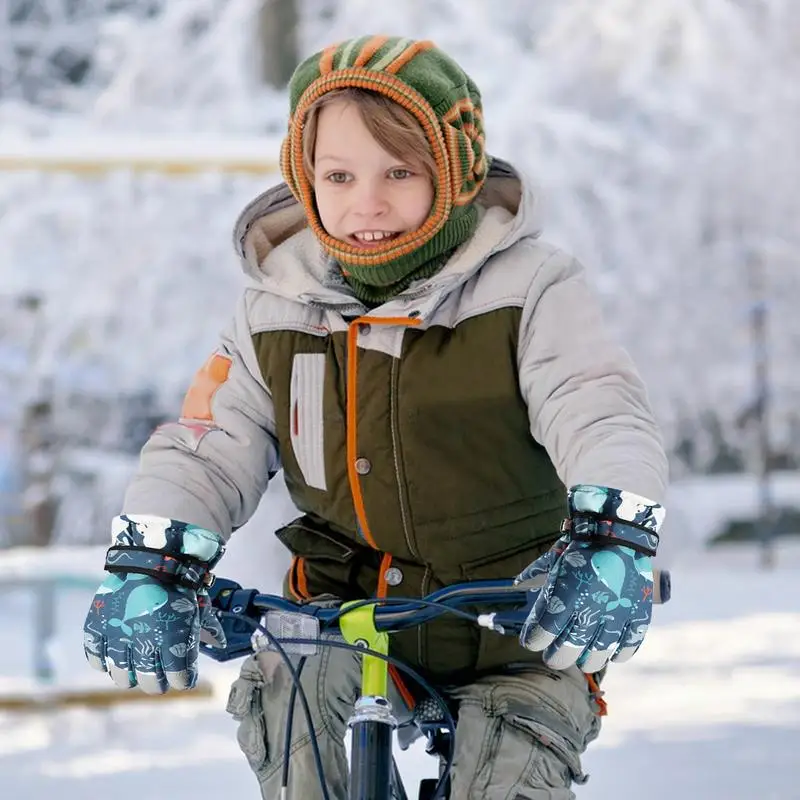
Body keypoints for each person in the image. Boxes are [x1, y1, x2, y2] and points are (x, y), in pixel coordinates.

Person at [82, 35, 668, 799]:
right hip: (343, 618)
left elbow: (598, 409)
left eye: (400, 171)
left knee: (510, 770)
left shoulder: (530, 289)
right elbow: (207, 445)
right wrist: (154, 562)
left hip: (520, 624)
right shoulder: (274, 308)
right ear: (305, 178)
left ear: (454, 172)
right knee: (291, 706)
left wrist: (613, 537)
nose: (368, 202)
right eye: (339, 175)